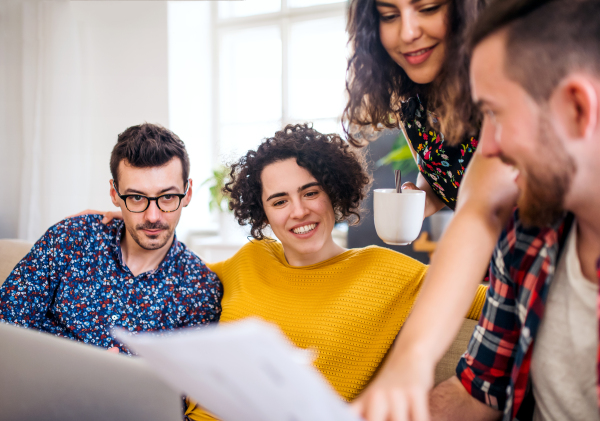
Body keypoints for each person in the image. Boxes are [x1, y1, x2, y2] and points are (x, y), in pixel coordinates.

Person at [182, 123, 487, 420]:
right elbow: (170, 277)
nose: (299, 211)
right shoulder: (249, 259)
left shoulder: (385, 270)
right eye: (279, 201)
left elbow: (496, 299)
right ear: (263, 213)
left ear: (333, 191)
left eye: (310, 193)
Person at [343, 0, 520, 419]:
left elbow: (481, 205)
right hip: (499, 277)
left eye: (427, 7)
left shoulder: (507, 78)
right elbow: (455, 179)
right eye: (388, 15)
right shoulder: (412, 102)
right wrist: (418, 196)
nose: (407, 32)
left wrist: (412, 358)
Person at [424, 0, 600, 420]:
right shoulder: (527, 233)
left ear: (577, 108)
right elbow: (476, 392)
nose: (488, 148)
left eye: (494, 114)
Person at [0, 123, 222, 353]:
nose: (153, 216)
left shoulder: (200, 288)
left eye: (167, 197)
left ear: (188, 193)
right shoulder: (69, 238)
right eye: (136, 197)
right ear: (114, 193)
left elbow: (185, 384)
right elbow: (6, 324)